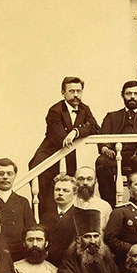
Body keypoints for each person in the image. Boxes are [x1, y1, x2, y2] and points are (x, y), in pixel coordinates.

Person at [29, 76, 98, 217]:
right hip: (48, 157)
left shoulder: (84, 108)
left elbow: (96, 128)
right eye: (71, 91)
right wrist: (81, 129)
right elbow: (61, 138)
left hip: (67, 157)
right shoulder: (55, 111)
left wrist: (76, 131)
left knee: (66, 195)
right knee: (46, 198)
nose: (76, 95)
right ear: (63, 93)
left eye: (79, 91)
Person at [95, 80, 137, 206]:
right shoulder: (111, 117)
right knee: (101, 162)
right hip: (115, 155)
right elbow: (103, 136)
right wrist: (105, 148)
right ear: (122, 95)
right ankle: (109, 204)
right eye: (128, 93)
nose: (132, 97)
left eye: (136, 94)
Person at [39, 173, 80, 267]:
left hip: (71, 265)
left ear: (75, 194)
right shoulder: (46, 217)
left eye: (65, 190)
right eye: (57, 190)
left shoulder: (80, 215)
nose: (60, 193)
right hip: (49, 264)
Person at [74, 166, 112, 230]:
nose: (85, 183)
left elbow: (109, 233)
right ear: (75, 181)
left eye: (89, 179)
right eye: (81, 179)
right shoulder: (68, 203)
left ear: (95, 181)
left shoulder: (105, 207)